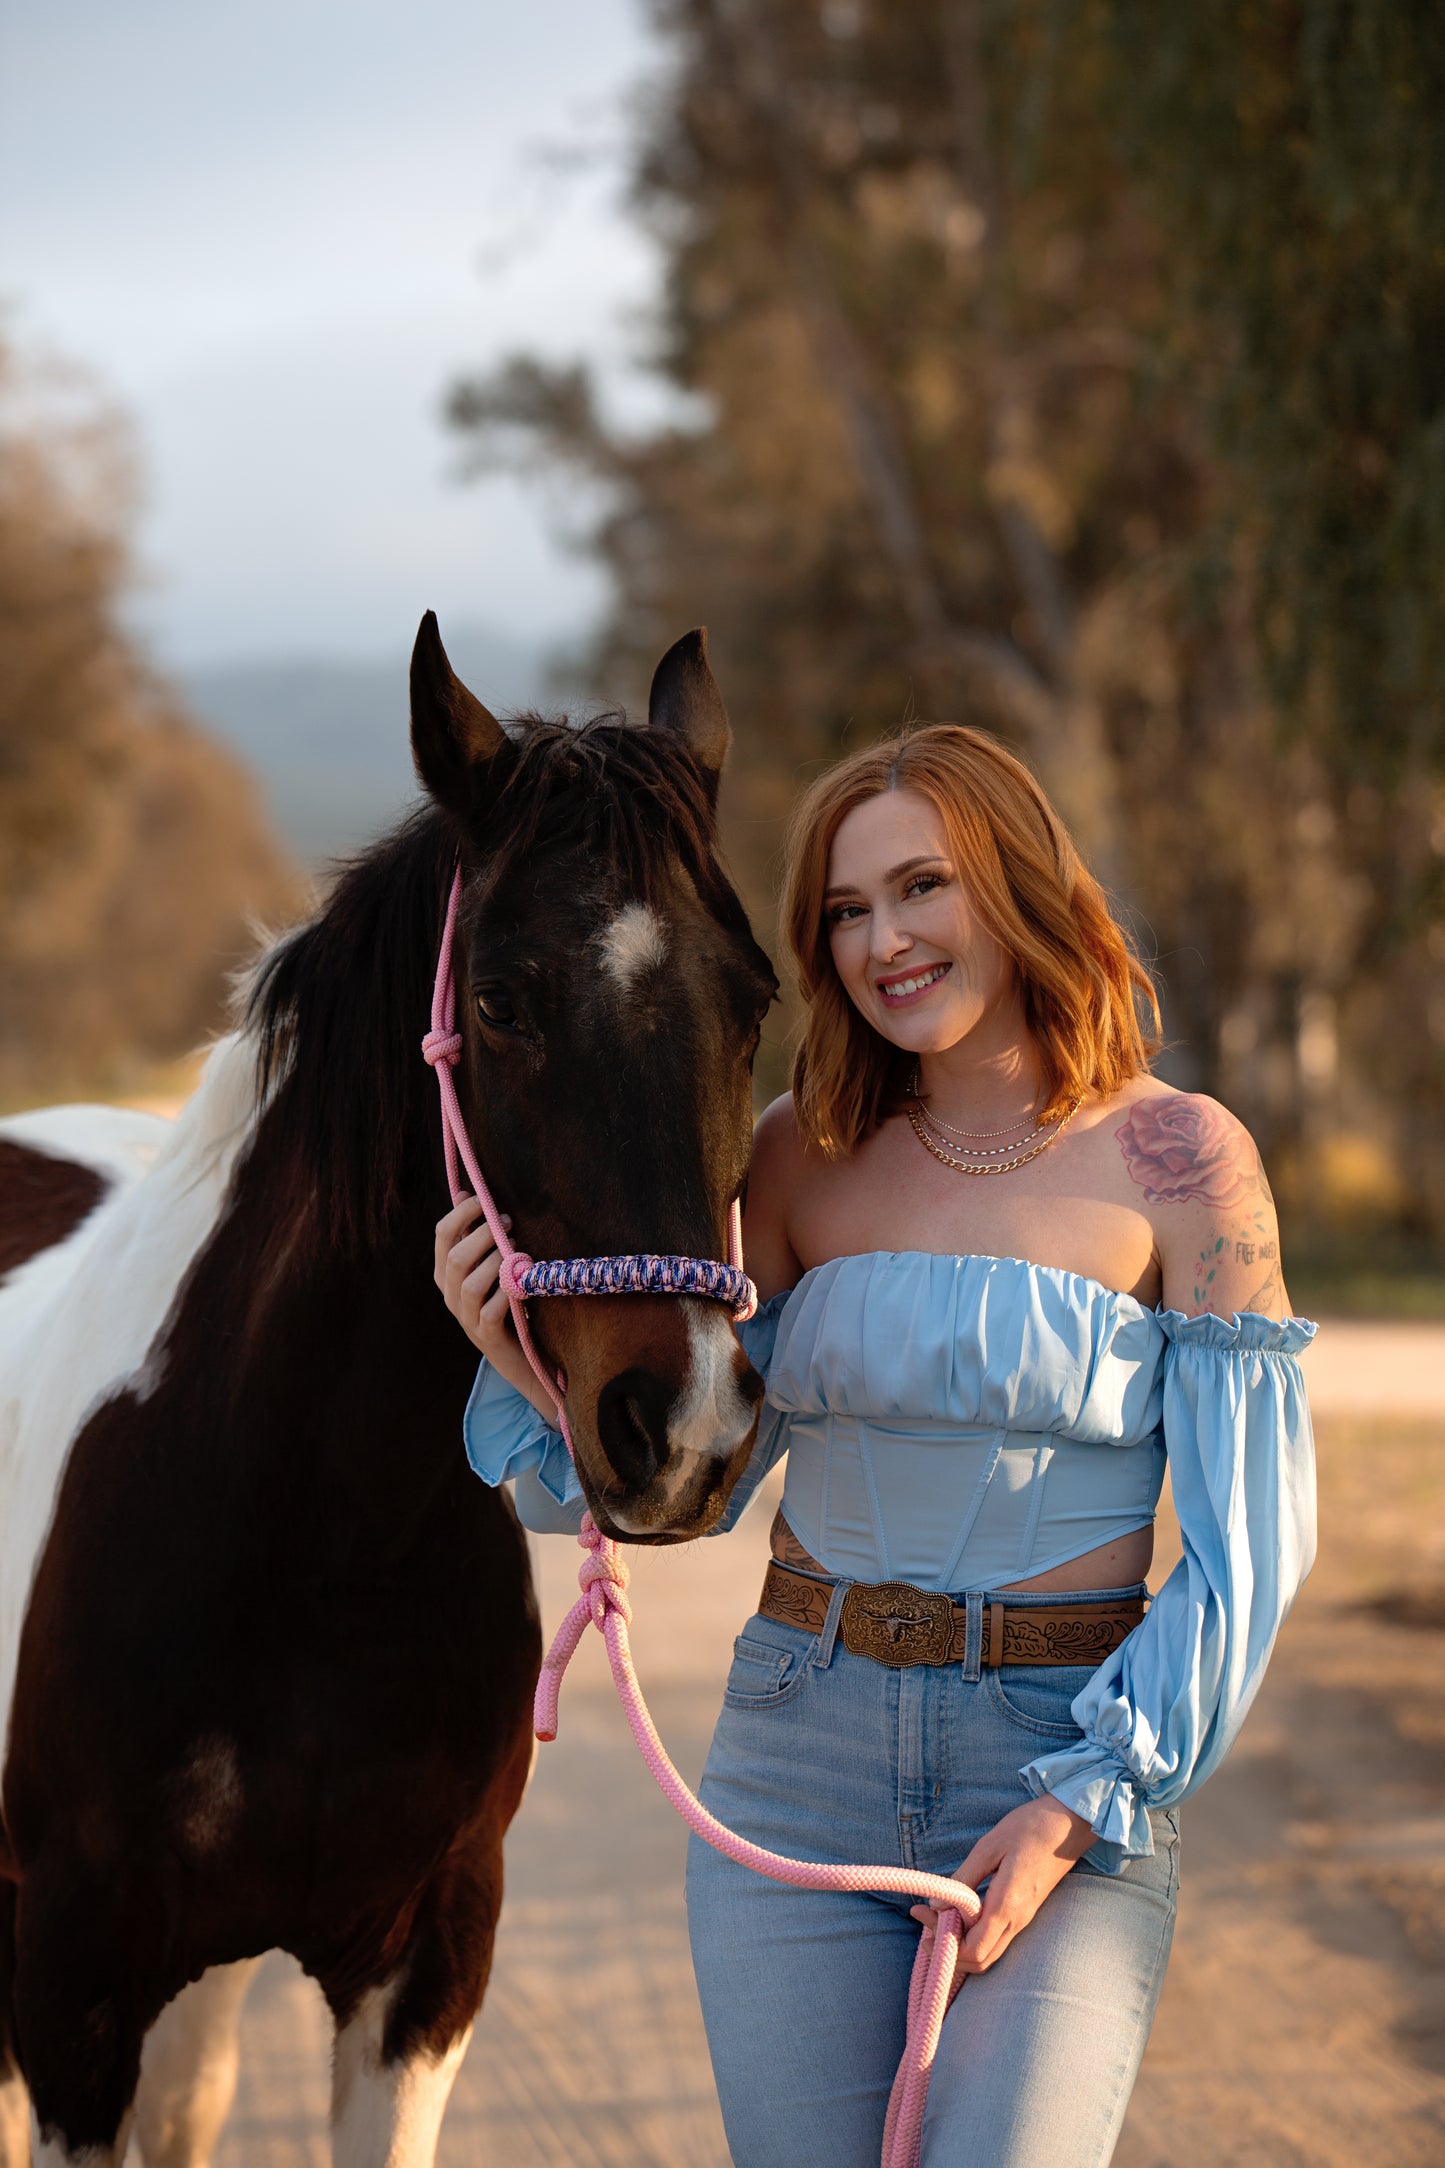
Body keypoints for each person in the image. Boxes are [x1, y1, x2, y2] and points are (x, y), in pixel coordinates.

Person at [434, 724, 1317, 2168]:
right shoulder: (793, 1158)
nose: (882, 941)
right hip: (799, 1749)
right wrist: (502, 1355)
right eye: (844, 912)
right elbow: (675, 1492)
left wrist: (1083, 1804)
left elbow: (1248, 1554)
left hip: (1060, 1761)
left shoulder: (1181, 1161)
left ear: (1019, 884)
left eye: (921, 888)